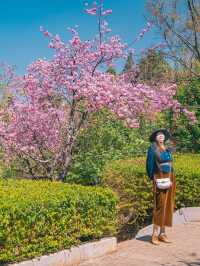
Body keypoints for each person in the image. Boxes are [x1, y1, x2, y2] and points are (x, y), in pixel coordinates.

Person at [146, 128, 176, 245]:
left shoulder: (168, 149)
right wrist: (154, 178)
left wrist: (172, 177)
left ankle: (163, 234)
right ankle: (154, 234)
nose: (161, 136)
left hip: (170, 178)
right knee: (159, 206)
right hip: (159, 178)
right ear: (155, 137)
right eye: (158, 135)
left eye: (162, 134)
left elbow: (170, 163)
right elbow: (149, 165)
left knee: (168, 205)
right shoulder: (153, 148)